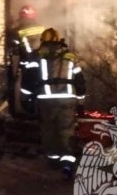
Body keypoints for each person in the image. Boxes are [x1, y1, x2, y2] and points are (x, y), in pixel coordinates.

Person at [33, 28, 86, 178]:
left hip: (45, 100)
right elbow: (80, 81)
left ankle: (53, 160)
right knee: (66, 130)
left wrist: (27, 99)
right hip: (67, 99)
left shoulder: (38, 57)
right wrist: (81, 101)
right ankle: (68, 163)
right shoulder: (70, 57)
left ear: (42, 41)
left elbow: (30, 80)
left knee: (49, 130)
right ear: (59, 41)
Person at [6, 4, 45, 118]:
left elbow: (13, 46)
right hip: (42, 64)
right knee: (40, 87)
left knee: (26, 89)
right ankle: (39, 112)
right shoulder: (42, 28)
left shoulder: (18, 30)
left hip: (27, 64)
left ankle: (28, 110)